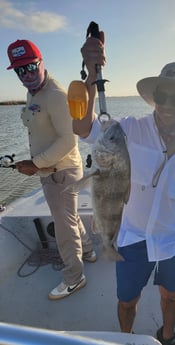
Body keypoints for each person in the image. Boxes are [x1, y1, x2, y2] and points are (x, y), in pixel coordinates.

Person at [73, 34, 175, 345]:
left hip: (173, 239)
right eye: (163, 96)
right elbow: (84, 128)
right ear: (155, 96)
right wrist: (91, 78)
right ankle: (127, 339)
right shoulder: (128, 129)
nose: (167, 105)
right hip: (132, 238)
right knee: (127, 301)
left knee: (171, 296)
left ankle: (167, 336)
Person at [6, 39, 97, 300]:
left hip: (61, 171)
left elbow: (69, 140)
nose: (27, 76)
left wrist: (35, 164)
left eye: (31, 68)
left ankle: (74, 277)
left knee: (63, 225)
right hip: (50, 170)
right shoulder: (33, 92)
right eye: (20, 71)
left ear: (42, 62)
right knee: (69, 216)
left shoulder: (56, 95)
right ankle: (89, 251)